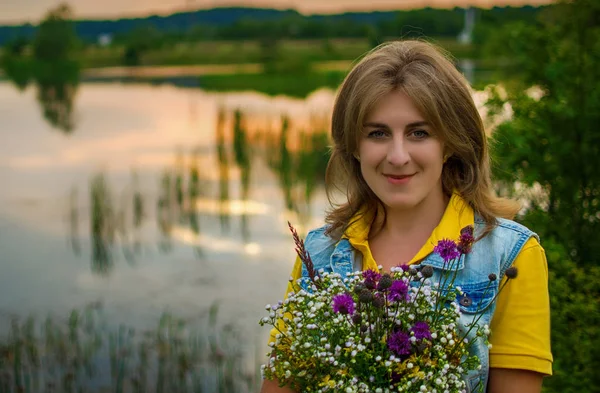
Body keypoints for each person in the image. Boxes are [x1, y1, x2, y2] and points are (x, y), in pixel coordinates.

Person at [260, 39, 552, 393]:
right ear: (353, 145)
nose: (398, 156)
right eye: (378, 133)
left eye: (419, 133)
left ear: (451, 143)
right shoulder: (320, 252)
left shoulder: (510, 253)